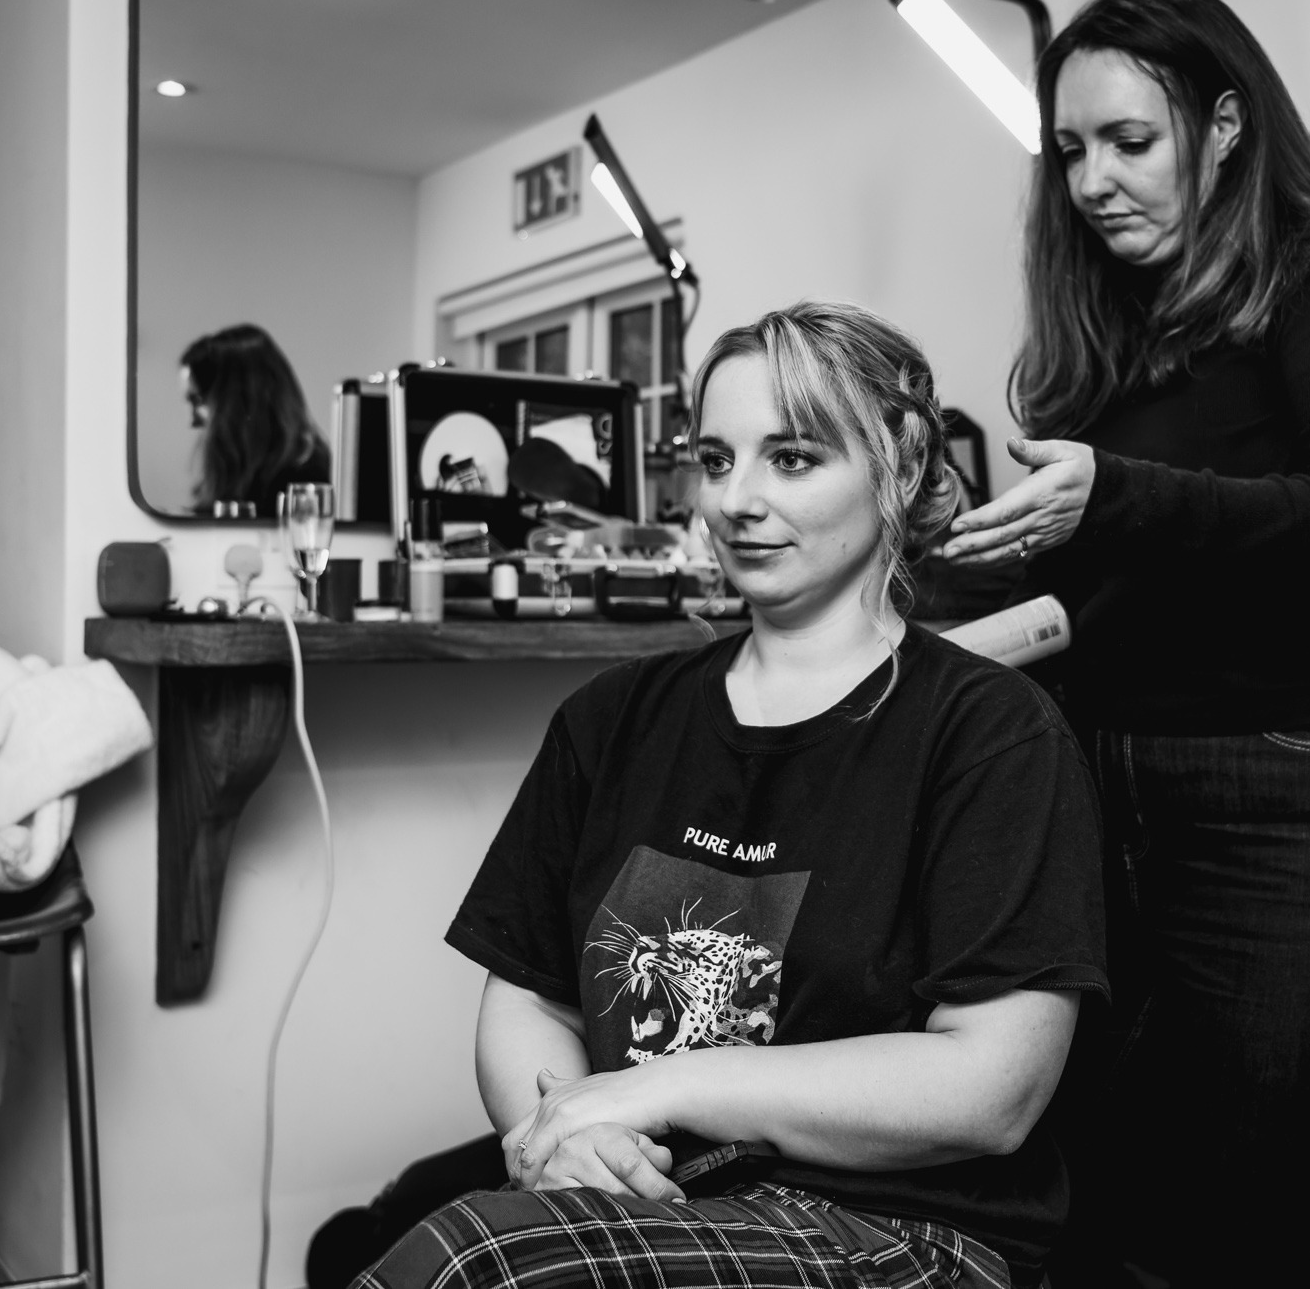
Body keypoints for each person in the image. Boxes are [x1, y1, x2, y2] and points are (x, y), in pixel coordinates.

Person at [356, 302, 1107, 1289]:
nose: (736, 501)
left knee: (476, 1260)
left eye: (790, 457)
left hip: (901, 1228)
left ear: (903, 459)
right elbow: (526, 994)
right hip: (662, 1191)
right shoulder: (612, 715)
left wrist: (653, 1088)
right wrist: (567, 1136)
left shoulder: (991, 733)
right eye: (715, 460)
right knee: (385, 1232)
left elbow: (992, 1087)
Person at [940, 0, 1310, 1289]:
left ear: (1226, 123)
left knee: (1235, 1218)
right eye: (1069, 151)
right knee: (1107, 1200)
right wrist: (962, 603)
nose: (1092, 181)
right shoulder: (1117, 340)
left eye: (1129, 141)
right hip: (1123, 788)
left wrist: (1112, 495)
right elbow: (1135, 592)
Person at [179, 322, 330, 515]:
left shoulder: (306, 479)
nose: (192, 422)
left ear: (240, 400)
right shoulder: (234, 474)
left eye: (198, 400)